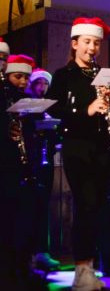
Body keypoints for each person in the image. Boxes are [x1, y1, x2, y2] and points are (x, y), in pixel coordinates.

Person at [46, 17, 110, 290]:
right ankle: (81, 269)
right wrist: (86, 110)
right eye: (88, 42)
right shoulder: (63, 75)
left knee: (100, 208)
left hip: (103, 147)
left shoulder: (102, 75)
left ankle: (92, 267)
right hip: (78, 148)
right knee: (86, 206)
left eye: (97, 43)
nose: (92, 48)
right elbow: (53, 109)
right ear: (75, 43)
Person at [0, 54, 48, 290]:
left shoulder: (26, 97)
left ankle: (24, 266)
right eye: (18, 76)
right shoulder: (4, 95)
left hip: (27, 166)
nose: (22, 81)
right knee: (9, 222)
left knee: (26, 220)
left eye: (27, 77)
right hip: (7, 169)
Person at [26, 68, 62, 271]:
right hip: (28, 163)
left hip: (45, 160)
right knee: (29, 206)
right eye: (38, 83)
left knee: (43, 206)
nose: (42, 87)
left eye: (45, 83)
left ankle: (42, 251)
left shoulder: (48, 107)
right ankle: (28, 253)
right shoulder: (25, 104)